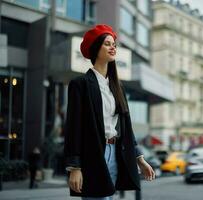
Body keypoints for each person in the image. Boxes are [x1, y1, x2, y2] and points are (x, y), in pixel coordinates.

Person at [63, 24, 155, 200]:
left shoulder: (117, 87)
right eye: (107, 43)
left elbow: (126, 127)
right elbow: (73, 128)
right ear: (95, 48)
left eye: (114, 44)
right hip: (93, 154)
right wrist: (75, 167)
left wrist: (140, 159)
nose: (113, 47)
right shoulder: (80, 84)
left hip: (115, 153)